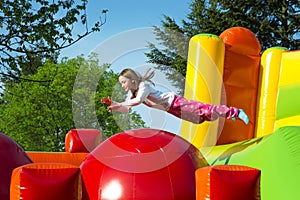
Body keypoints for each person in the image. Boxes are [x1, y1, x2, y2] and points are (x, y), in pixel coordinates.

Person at [101, 68, 249, 125]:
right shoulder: (131, 94)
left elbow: (138, 101)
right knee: (198, 119)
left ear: (132, 80)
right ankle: (225, 115)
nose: (122, 86)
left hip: (175, 102)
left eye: (123, 82)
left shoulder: (143, 87)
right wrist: (115, 104)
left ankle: (235, 112)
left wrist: (121, 103)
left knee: (204, 109)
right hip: (170, 109)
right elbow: (127, 109)